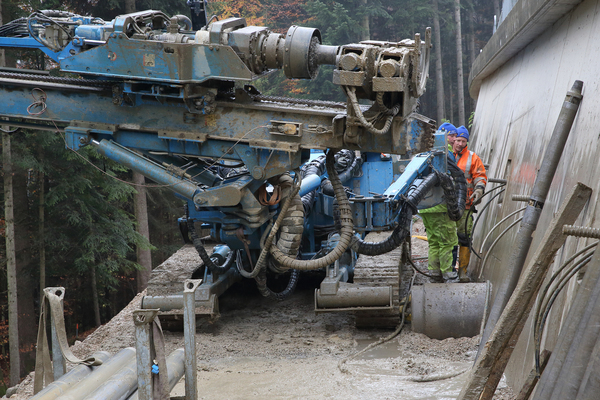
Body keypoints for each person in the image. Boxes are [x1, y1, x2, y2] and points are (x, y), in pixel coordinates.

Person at [419, 123, 459, 283]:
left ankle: (434, 273)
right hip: (441, 206)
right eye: (452, 136)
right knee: (447, 242)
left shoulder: (423, 153)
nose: (454, 139)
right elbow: (455, 176)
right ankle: (448, 274)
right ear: (444, 135)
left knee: (434, 242)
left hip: (425, 207)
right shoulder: (444, 154)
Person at [453, 125, 487, 282]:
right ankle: (448, 270)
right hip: (448, 205)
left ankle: (463, 272)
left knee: (464, 238)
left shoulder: (473, 158)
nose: (460, 143)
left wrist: (479, 189)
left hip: (466, 205)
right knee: (449, 239)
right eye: (458, 140)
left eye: (463, 141)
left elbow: (480, 176)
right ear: (454, 140)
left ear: (467, 141)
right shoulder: (445, 155)